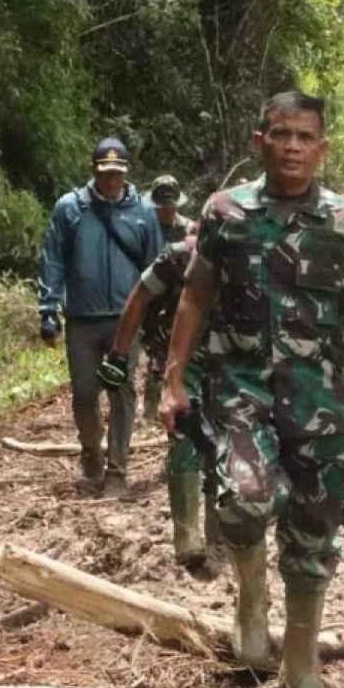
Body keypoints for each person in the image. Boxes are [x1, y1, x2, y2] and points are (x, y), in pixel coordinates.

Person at [161, 90, 344, 688]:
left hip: (317, 400)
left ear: (322, 148)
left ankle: (299, 670)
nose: (292, 146)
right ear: (259, 141)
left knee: (315, 532)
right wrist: (173, 378)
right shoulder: (224, 212)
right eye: (280, 134)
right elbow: (193, 295)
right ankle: (250, 596)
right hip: (239, 389)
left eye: (304, 137)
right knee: (245, 501)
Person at [36, 138, 164, 494]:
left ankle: (117, 470)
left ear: (126, 172)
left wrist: (157, 317)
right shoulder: (71, 209)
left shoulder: (143, 213)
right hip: (82, 319)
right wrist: (48, 308)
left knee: (122, 393)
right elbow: (53, 259)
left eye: (117, 173)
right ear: (94, 170)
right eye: (105, 172)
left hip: (127, 320)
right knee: (84, 394)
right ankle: (91, 450)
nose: (111, 179)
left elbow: (157, 265)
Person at [96, 213, 221, 575]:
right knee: (185, 437)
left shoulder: (249, 258)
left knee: (223, 444)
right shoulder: (176, 259)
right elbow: (138, 298)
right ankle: (188, 540)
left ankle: (220, 536)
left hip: (229, 361)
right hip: (179, 359)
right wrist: (120, 353)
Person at [140, 175, 192, 424]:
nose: (166, 212)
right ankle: (150, 412)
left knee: (179, 353)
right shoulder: (143, 229)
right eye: (162, 208)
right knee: (155, 358)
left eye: (170, 207)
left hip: (180, 302)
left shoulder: (189, 229)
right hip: (153, 302)